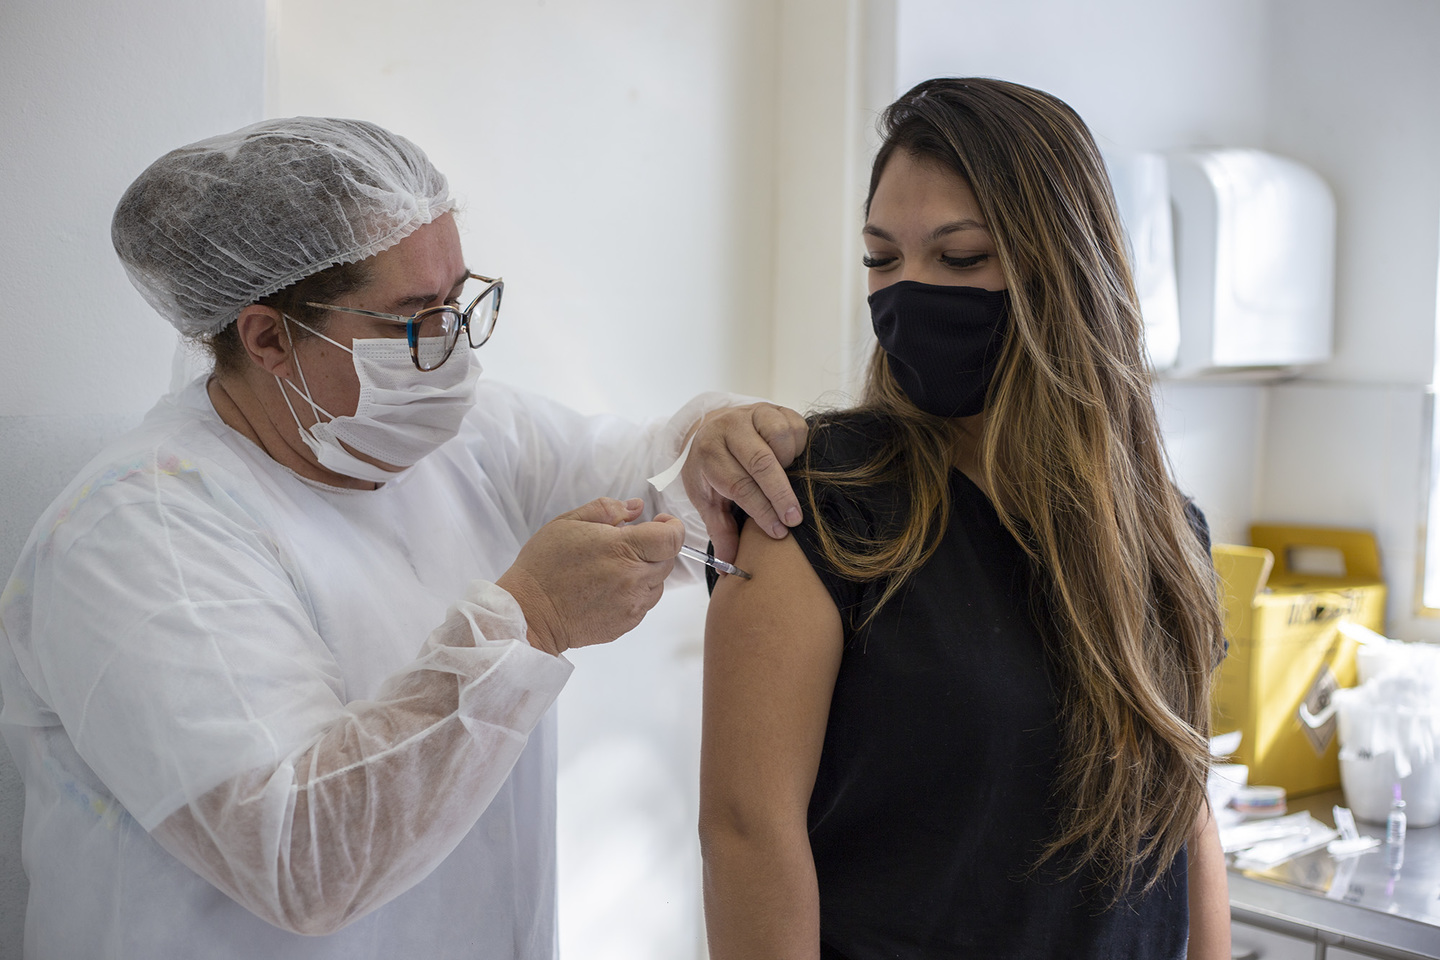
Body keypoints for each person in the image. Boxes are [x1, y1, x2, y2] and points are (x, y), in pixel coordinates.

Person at [0, 116, 807, 959]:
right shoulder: (136, 533)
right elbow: (301, 859)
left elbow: (658, 483)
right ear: (268, 337)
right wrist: (529, 625)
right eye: (412, 320)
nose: (453, 351)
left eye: (459, 301)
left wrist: (724, 449)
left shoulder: (456, 438)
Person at [698, 78, 1230, 960]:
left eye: (960, 258)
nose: (908, 292)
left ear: (1060, 270)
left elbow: (1186, 815)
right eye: (881, 258)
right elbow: (747, 834)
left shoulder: (1167, 535)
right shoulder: (819, 502)